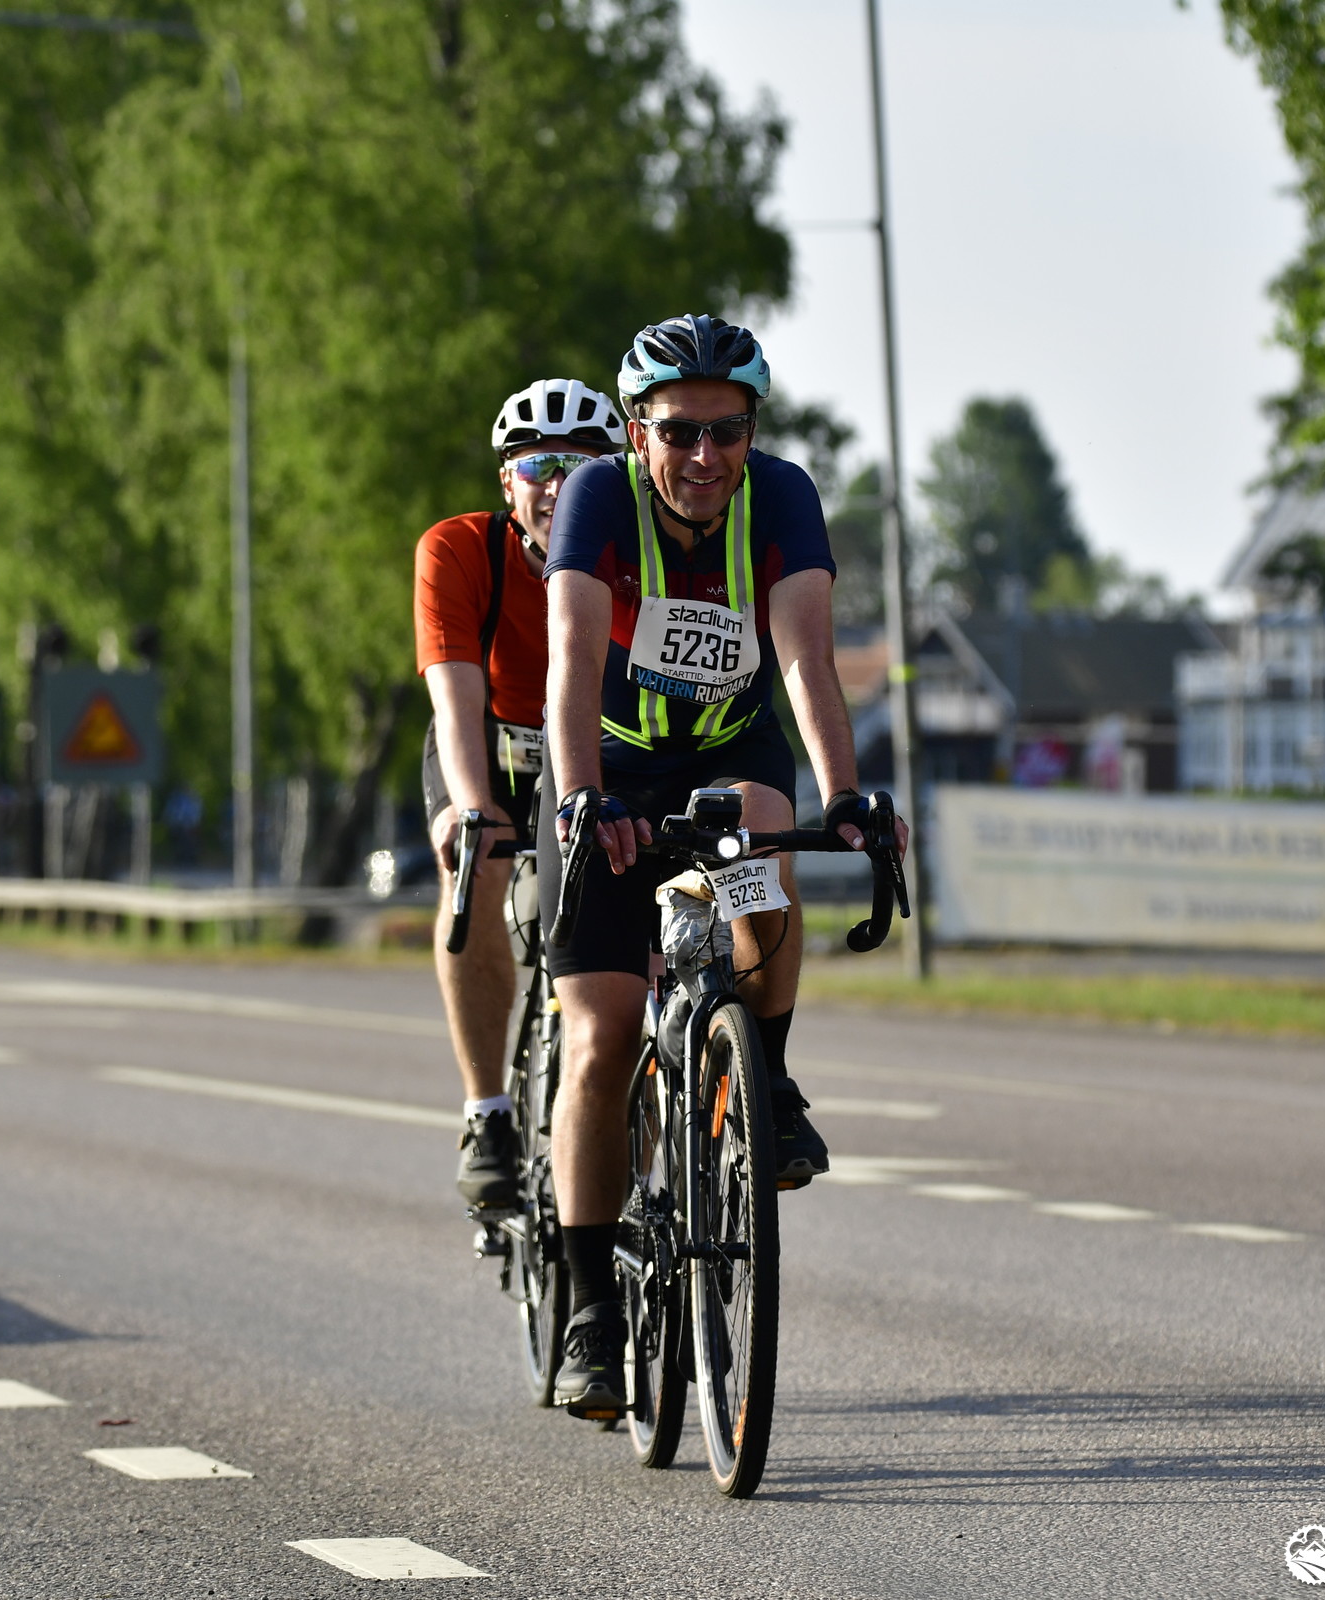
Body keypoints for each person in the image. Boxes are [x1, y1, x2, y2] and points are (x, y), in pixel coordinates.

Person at [537, 314, 908, 1415]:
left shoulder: (781, 496)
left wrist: (842, 794)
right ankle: (591, 1307)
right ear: (637, 433)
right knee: (602, 1034)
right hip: (610, 766)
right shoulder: (597, 500)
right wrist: (578, 797)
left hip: (727, 758)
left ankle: (767, 1077)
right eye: (679, 432)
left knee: (764, 860)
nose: (705, 457)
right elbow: (571, 662)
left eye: (728, 432)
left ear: (753, 431)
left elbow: (805, 658)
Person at [414, 378, 628, 1210]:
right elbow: (453, 700)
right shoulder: (459, 550)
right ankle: (488, 1112)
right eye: (538, 467)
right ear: (508, 482)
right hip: (488, 747)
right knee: (475, 865)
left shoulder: (637, 559)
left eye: (580, 469)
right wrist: (472, 811)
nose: (556, 487)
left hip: (596, 758)